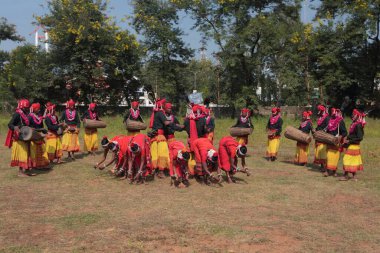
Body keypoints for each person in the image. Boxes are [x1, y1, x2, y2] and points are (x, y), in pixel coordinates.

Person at [5, 99, 34, 177]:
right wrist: (15, 127)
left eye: (28, 107)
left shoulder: (25, 114)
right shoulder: (17, 114)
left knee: (27, 154)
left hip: (26, 137)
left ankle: (27, 170)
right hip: (19, 138)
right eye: (26, 107)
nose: (27, 109)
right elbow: (10, 124)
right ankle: (20, 172)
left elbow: (26, 124)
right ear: (22, 107)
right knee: (22, 155)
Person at [340, 109, 365, 181]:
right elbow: (352, 135)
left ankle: (347, 176)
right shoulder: (354, 124)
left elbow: (360, 138)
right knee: (351, 161)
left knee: (347, 160)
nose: (352, 116)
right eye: (352, 115)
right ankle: (352, 176)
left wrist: (349, 141)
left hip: (354, 146)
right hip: (351, 145)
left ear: (357, 116)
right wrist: (346, 139)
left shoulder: (358, 125)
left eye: (354, 115)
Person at [149, 100, 172, 178]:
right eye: (168, 108)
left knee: (154, 153)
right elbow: (166, 123)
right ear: (163, 107)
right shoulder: (161, 113)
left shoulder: (156, 113)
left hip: (154, 137)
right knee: (163, 153)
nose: (169, 109)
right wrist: (173, 123)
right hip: (160, 136)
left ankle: (154, 170)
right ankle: (160, 171)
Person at [325, 108, 347, 177]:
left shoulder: (340, 121)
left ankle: (334, 171)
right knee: (328, 156)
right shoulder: (330, 121)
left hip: (337, 143)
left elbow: (345, 132)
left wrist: (340, 136)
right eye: (332, 113)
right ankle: (328, 171)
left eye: (334, 114)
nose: (333, 115)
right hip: (330, 141)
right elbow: (328, 131)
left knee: (335, 157)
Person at [28, 103, 49, 169]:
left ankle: (41, 164)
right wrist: (39, 130)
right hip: (33, 135)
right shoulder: (30, 116)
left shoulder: (39, 116)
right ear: (34, 109)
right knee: (34, 151)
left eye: (39, 108)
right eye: (37, 108)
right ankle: (35, 165)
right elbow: (28, 127)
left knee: (42, 150)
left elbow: (41, 126)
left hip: (40, 136)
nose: (39, 110)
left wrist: (44, 132)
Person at [313, 105, 330, 170]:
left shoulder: (327, 117)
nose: (318, 112)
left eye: (319, 110)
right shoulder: (320, 117)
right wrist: (316, 129)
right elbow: (319, 126)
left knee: (323, 150)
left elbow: (327, 126)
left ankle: (324, 166)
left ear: (322, 111)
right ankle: (321, 165)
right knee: (318, 150)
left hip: (323, 136)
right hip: (319, 136)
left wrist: (322, 132)